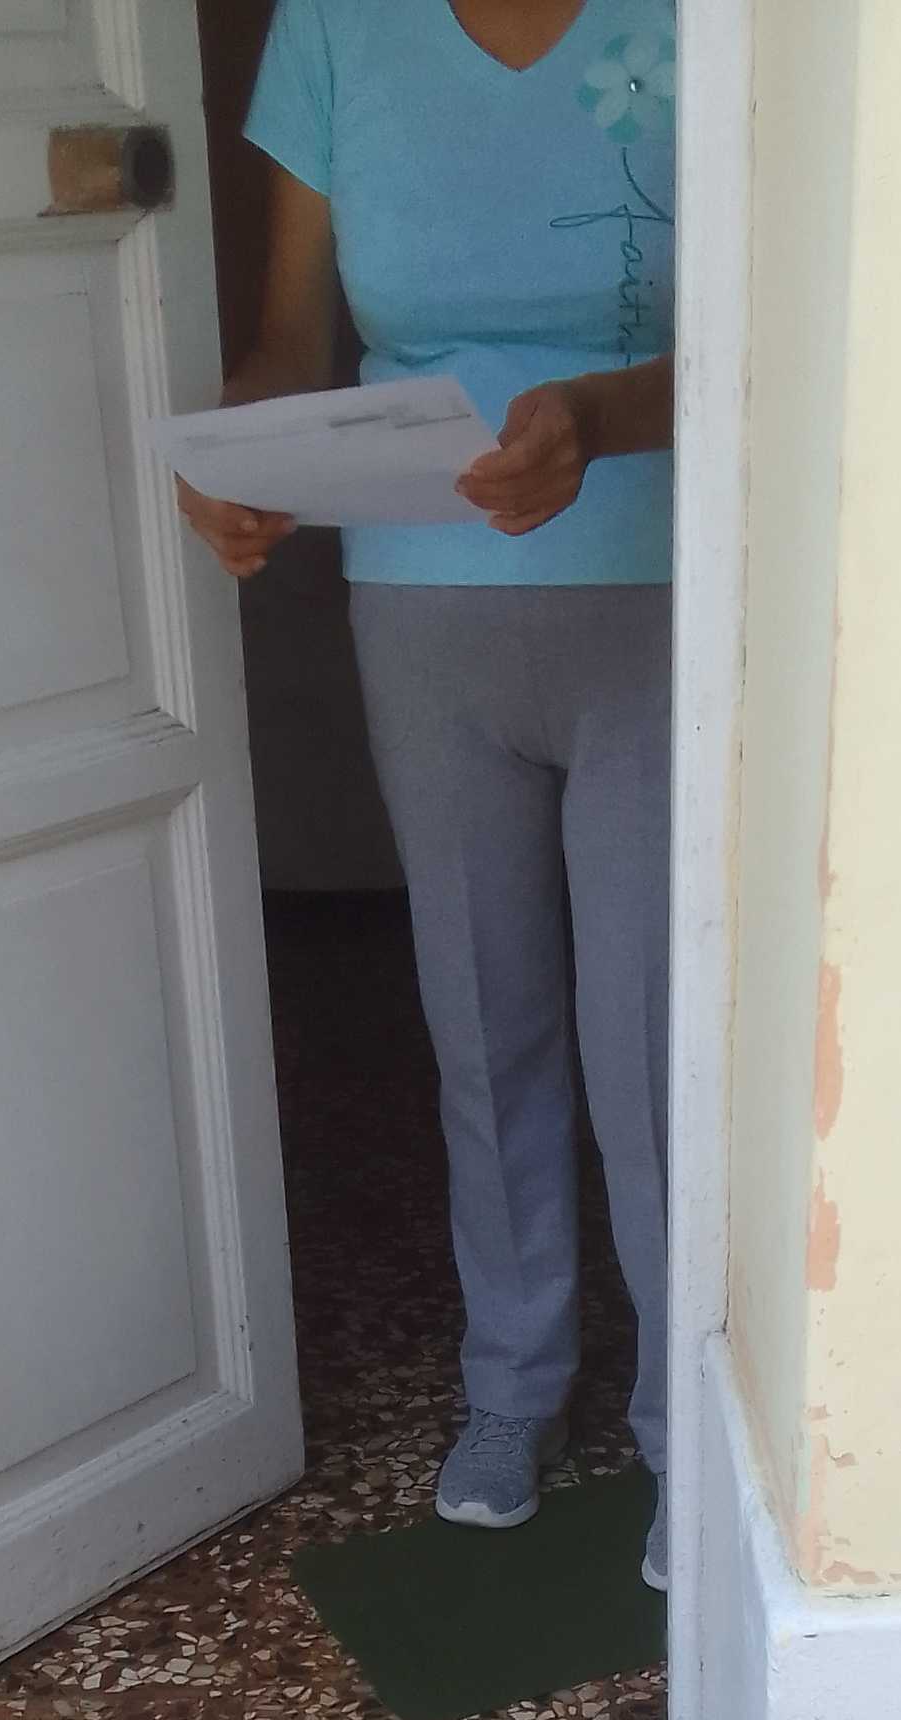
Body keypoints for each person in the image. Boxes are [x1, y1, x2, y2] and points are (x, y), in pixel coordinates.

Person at [180, 0, 678, 1591]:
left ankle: (690, 1425)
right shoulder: (338, 27)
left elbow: (776, 324)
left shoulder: (703, 21)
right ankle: (511, 1384)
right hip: (418, 606)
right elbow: (292, 342)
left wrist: (598, 421)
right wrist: (239, 452)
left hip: (664, 597)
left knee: (652, 1045)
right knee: (483, 1015)